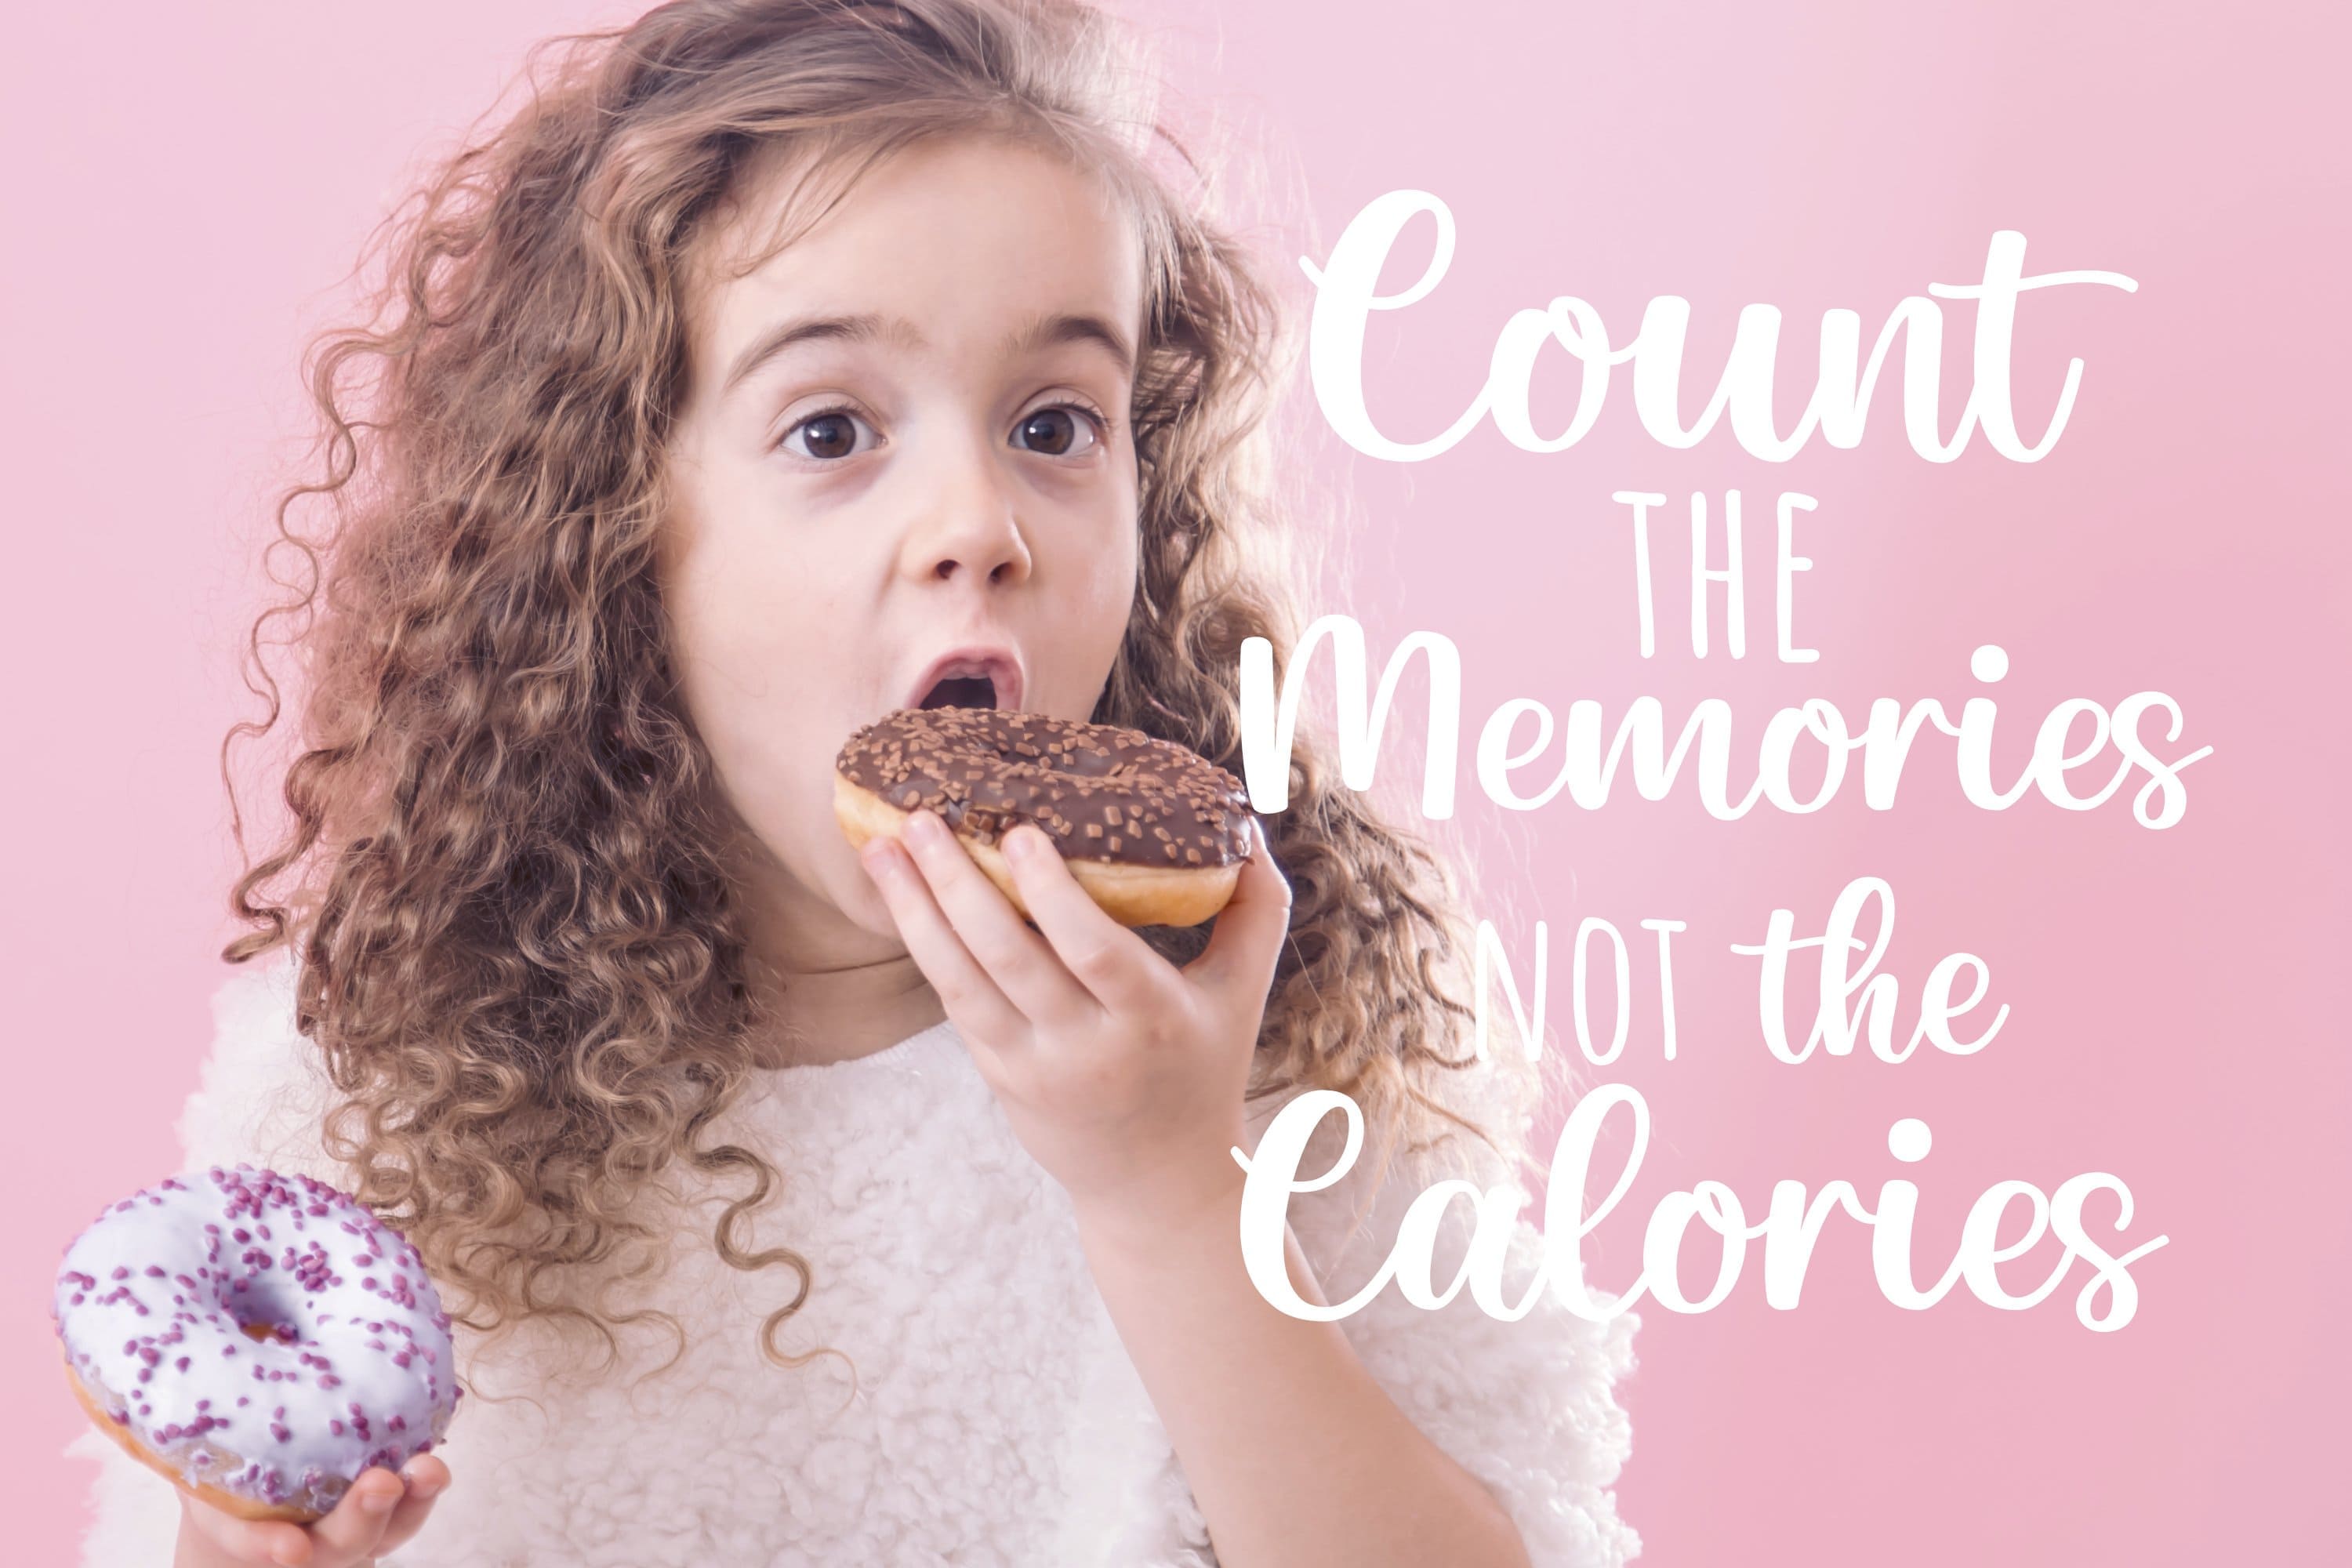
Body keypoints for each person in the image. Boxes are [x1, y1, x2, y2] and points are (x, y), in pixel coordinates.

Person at [65, 2, 1639, 1563]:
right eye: (831, 427)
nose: (978, 519)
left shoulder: (1284, 1045)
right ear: (621, 536)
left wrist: (1173, 1198)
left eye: (1054, 424)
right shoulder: (374, 1095)